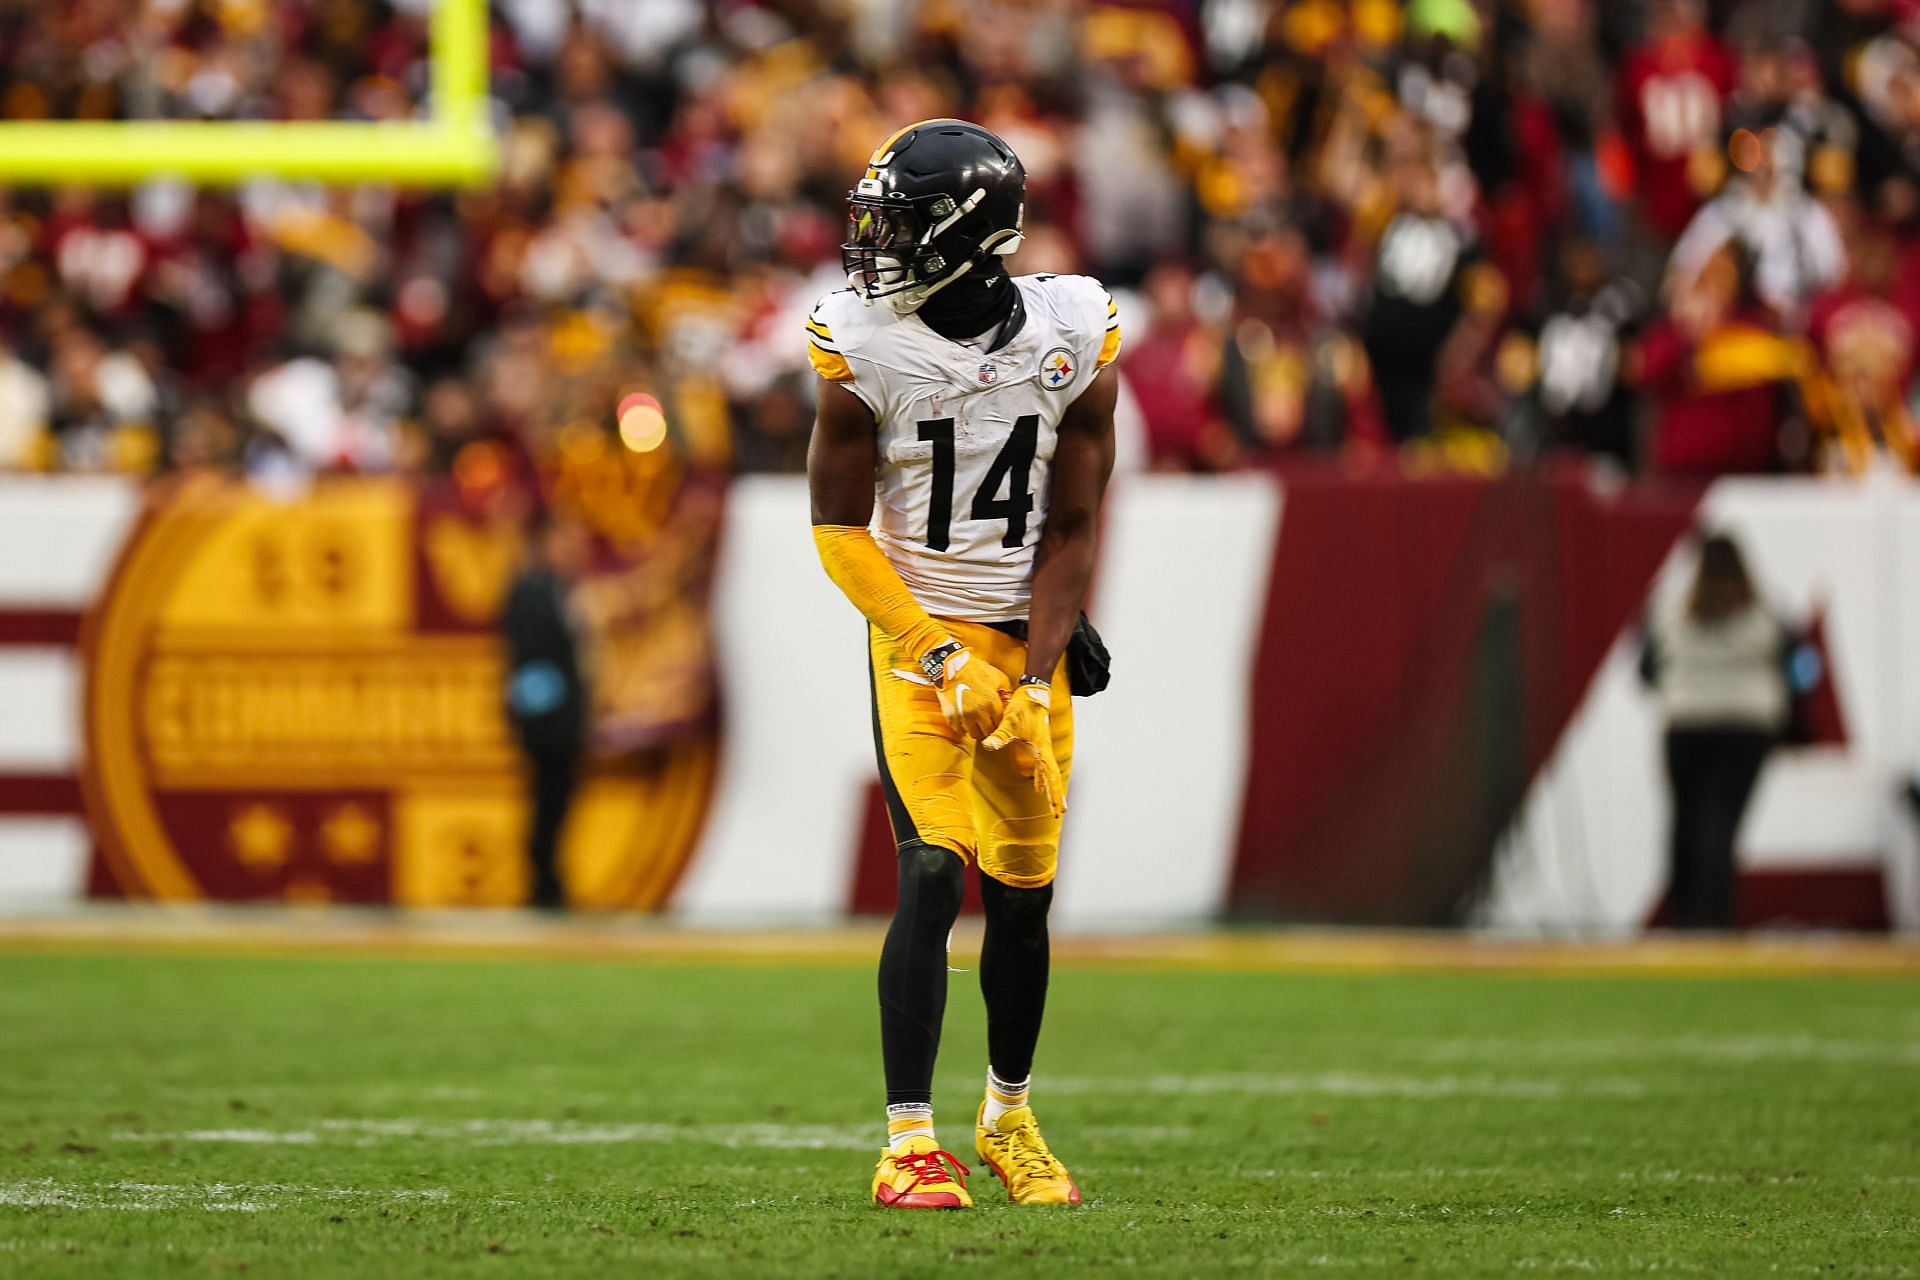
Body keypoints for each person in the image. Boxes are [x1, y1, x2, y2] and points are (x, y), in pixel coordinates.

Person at [807, 120, 1118, 1210]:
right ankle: (907, 1142)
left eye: (897, 220)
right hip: (916, 639)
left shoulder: (1071, 332)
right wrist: (937, 651)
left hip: (1020, 643)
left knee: (1025, 898)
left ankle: (1010, 1116)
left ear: (970, 236)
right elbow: (840, 530)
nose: (873, 242)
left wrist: (1034, 675)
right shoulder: (865, 342)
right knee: (935, 867)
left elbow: (1074, 521)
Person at [1643, 533, 1790, 930]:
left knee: (1685, 820)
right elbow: (1798, 667)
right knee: (1721, 821)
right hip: (1747, 727)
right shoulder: (1766, 613)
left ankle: (1686, 919)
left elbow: (1646, 669)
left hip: (1687, 721)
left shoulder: (1673, 612)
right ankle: (1717, 917)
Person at [501, 510, 592, 911]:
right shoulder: (531, 590)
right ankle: (543, 889)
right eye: (567, 542)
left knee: (556, 805)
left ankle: (550, 884)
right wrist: (546, 717)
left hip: (562, 723)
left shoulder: (560, 590)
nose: (575, 552)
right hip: (546, 725)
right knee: (546, 803)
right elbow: (530, 661)